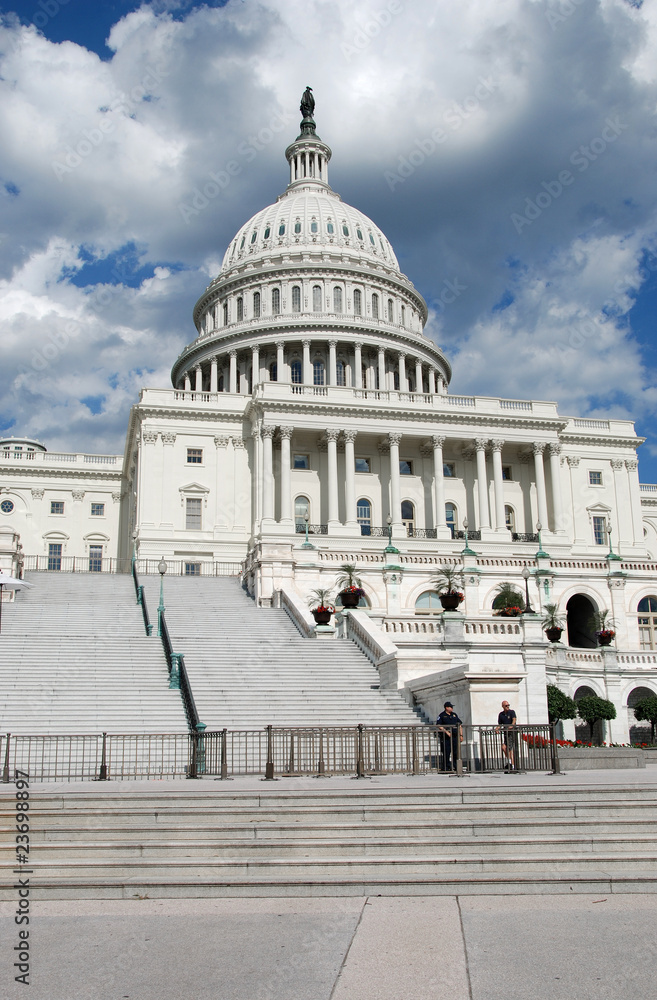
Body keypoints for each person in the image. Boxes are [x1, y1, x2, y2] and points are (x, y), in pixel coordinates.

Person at [436, 701, 463, 772]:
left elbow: (460, 725)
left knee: (456, 752)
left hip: (455, 736)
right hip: (446, 737)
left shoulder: (454, 715)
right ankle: (446, 767)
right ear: (446, 708)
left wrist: (461, 735)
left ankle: (456, 767)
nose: (452, 708)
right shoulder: (442, 715)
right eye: (450, 707)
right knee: (446, 752)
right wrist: (447, 732)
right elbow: (439, 725)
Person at [496, 700, 517, 771]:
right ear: (503, 706)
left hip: (512, 733)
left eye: (508, 705)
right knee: (504, 747)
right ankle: (509, 761)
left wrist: (511, 725)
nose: (508, 706)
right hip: (506, 733)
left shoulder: (512, 712)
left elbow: (514, 720)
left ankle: (512, 765)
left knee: (510, 749)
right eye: (506, 705)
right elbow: (500, 724)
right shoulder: (501, 714)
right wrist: (497, 728)